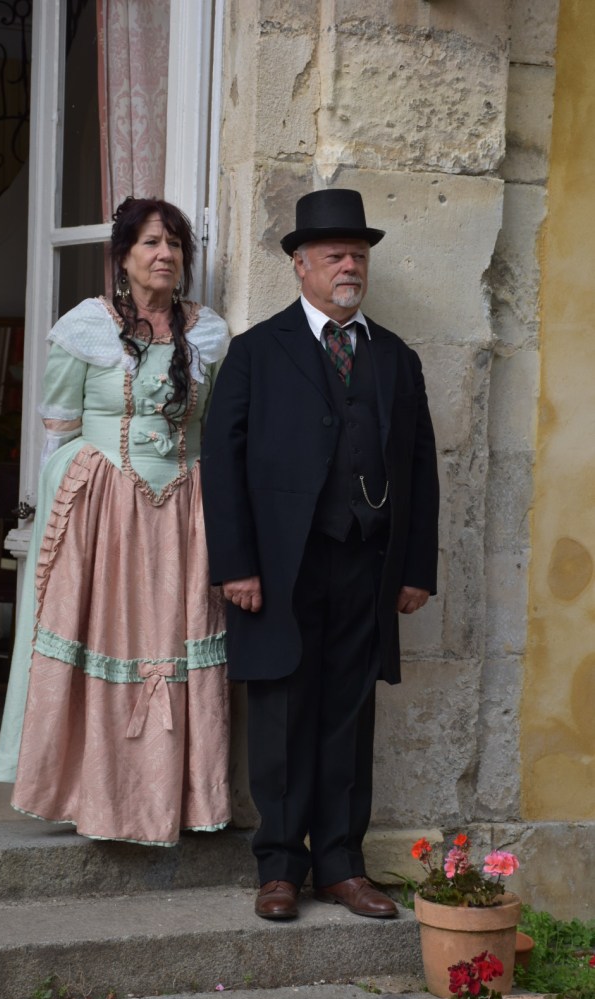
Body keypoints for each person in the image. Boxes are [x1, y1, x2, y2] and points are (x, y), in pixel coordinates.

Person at [201, 188, 439, 919]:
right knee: (280, 710)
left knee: (348, 714)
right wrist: (235, 564)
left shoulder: (394, 357)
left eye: (358, 255)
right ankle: (279, 868)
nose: (349, 267)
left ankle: (341, 865)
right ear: (300, 265)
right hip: (278, 569)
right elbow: (221, 464)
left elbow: (421, 468)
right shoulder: (255, 352)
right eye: (335, 255)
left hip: (366, 565)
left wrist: (415, 569)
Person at [0, 197, 231, 846]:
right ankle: (89, 791)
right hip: (104, 514)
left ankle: (176, 798)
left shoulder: (209, 333)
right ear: (122, 256)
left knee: (175, 638)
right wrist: (73, 510)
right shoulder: (85, 327)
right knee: (105, 635)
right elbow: (59, 433)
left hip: (184, 513)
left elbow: (217, 429)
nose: (165, 255)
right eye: (151, 243)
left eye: (175, 244)